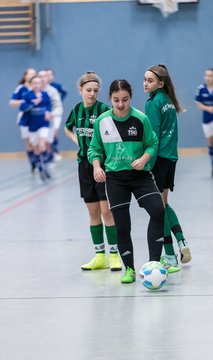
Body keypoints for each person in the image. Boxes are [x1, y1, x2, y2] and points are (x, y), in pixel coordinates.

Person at [88, 79, 180, 284]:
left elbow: (152, 143)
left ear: (130, 98)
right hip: (115, 179)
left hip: (140, 176)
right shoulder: (103, 121)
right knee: (122, 225)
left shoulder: (141, 118)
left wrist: (145, 159)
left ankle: (154, 264)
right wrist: (96, 166)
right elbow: (94, 148)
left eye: (125, 99)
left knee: (158, 210)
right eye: (116, 100)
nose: (121, 104)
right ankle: (129, 269)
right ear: (110, 99)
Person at [65, 71, 122, 271]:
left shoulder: (104, 111)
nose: (92, 94)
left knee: (107, 211)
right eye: (88, 90)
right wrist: (78, 142)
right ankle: (100, 256)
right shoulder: (76, 110)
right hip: (84, 165)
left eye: (96, 91)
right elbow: (68, 127)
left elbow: (117, 133)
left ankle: (114, 255)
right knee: (93, 212)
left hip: (103, 166)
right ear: (80, 90)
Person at [143, 64, 191, 267]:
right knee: (163, 204)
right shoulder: (169, 101)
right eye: (145, 79)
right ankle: (182, 241)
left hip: (158, 159)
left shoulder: (153, 103)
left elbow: (152, 136)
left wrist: (147, 163)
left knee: (158, 210)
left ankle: (170, 256)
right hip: (171, 158)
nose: (146, 84)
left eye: (150, 81)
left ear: (161, 83)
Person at [19, 75, 52, 181]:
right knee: (36, 147)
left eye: (39, 83)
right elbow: (22, 107)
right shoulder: (27, 95)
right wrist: (33, 103)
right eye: (34, 83)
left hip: (43, 124)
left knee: (42, 144)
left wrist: (48, 112)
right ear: (31, 84)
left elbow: (48, 105)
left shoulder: (45, 94)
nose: (37, 85)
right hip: (31, 126)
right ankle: (40, 164)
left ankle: (44, 166)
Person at [9, 68, 37, 172]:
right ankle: (33, 162)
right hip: (25, 117)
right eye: (30, 74)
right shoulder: (21, 88)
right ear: (25, 76)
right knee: (28, 141)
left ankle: (41, 159)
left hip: (38, 117)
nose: (32, 76)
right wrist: (24, 101)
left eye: (34, 74)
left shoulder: (38, 87)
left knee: (38, 141)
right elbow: (12, 102)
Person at [38, 70, 63, 163]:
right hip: (37, 118)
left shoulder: (52, 90)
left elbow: (58, 107)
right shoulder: (34, 89)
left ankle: (50, 155)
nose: (42, 79)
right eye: (40, 76)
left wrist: (51, 114)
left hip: (51, 117)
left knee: (50, 137)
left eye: (44, 76)